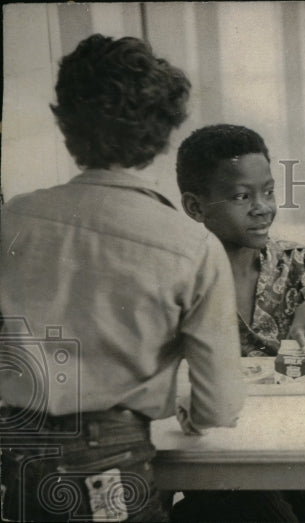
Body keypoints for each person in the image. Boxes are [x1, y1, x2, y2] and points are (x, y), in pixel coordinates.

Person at [0, 34, 244, 521]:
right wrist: (190, 414)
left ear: (67, 122)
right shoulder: (191, 244)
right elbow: (219, 406)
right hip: (108, 459)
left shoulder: (13, 220)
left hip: (18, 453)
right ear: (163, 131)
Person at [169, 124, 305, 522]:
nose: (262, 207)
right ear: (195, 207)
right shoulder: (177, 280)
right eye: (242, 196)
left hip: (302, 450)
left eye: (268, 191)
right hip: (218, 461)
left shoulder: (297, 263)